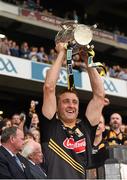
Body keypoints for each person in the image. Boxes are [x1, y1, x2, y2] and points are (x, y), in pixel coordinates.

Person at [41, 42, 106, 179]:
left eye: (74, 102)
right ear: (57, 107)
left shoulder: (86, 129)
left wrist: (88, 61)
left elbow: (99, 95)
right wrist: (62, 53)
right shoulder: (50, 126)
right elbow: (49, 87)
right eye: (65, 101)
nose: (71, 105)